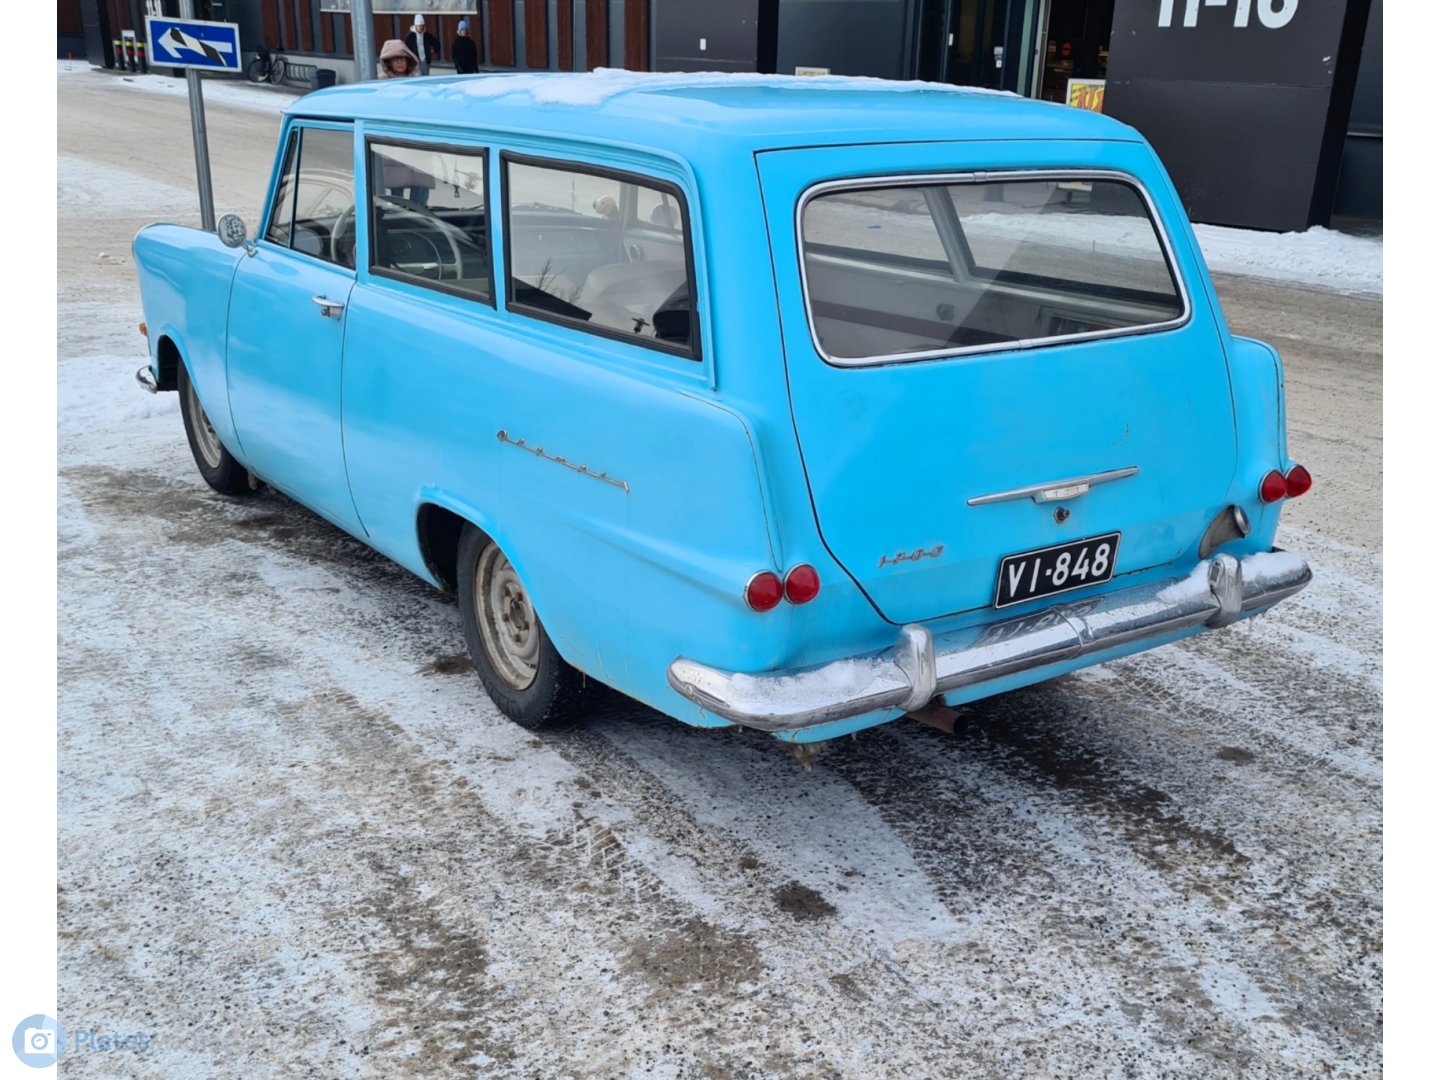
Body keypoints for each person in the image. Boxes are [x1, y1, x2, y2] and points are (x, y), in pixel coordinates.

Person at [375, 40, 432, 204]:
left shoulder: (417, 82)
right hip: (394, 140)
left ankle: (420, 213)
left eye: (402, 59)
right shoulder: (381, 84)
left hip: (416, 139)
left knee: (420, 180)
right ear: (388, 62)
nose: (400, 62)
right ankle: (397, 214)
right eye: (395, 59)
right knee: (396, 183)